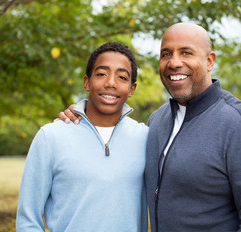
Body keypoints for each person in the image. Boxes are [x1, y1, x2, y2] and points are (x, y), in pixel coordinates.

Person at [58, 23, 241, 231]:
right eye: (166, 54)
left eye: (186, 52)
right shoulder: (157, 121)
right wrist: (82, 117)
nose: (174, 62)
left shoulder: (240, 126)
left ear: (209, 61)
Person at [16, 42, 149, 232]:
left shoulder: (146, 138)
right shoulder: (51, 137)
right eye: (102, 74)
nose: (110, 82)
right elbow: (27, 220)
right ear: (87, 82)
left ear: (132, 89)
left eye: (121, 77)